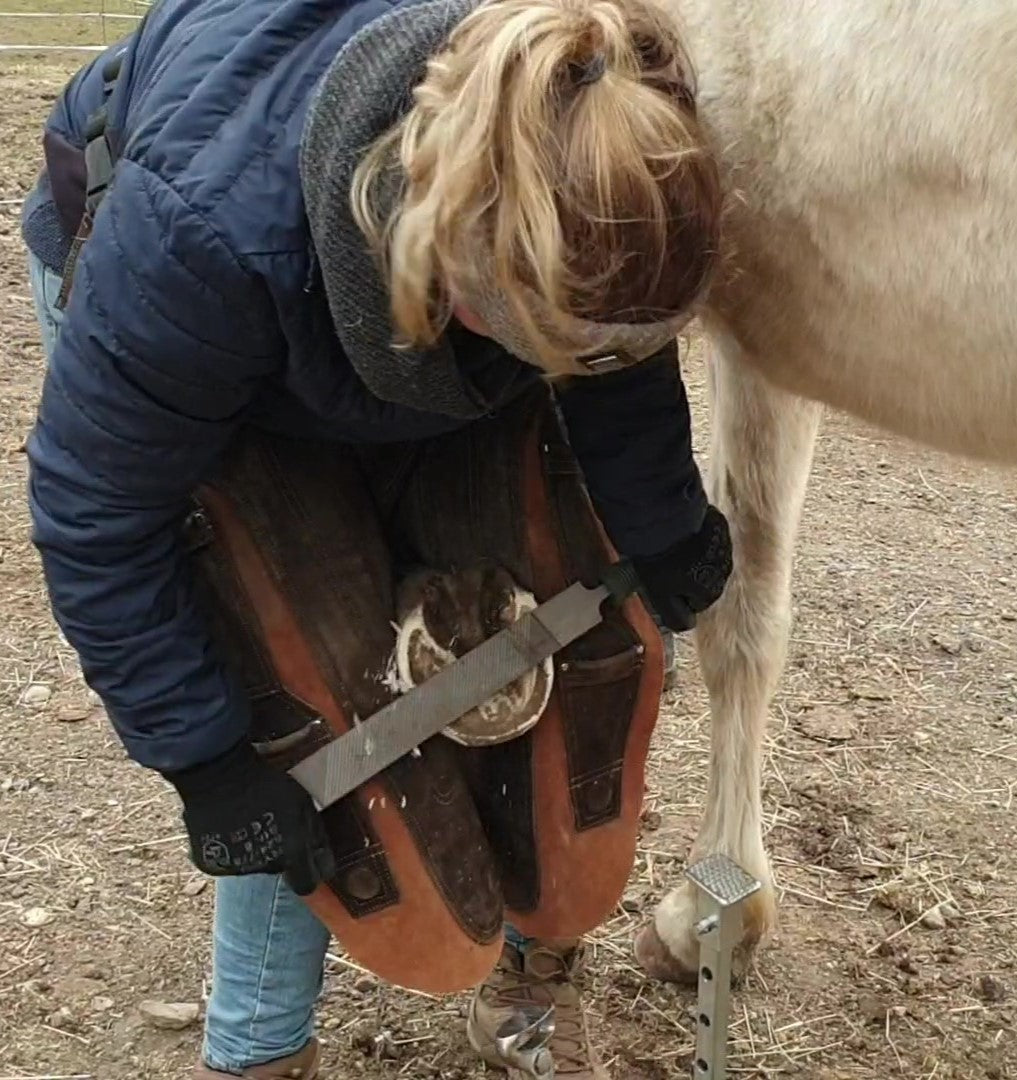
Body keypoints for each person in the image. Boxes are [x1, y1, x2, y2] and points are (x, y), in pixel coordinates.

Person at [19, 0, 734, 1075]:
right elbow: (96, 512)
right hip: (211, 317)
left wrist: (663, 518)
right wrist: (205, 758)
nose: (603, 355)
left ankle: (533, 962)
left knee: (568, 617)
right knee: (305, 716)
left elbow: (616, 351)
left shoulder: (585, 133)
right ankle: (261, 1053)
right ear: (463, 274)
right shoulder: (199, 241)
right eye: (564, 341)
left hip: (410, 308)